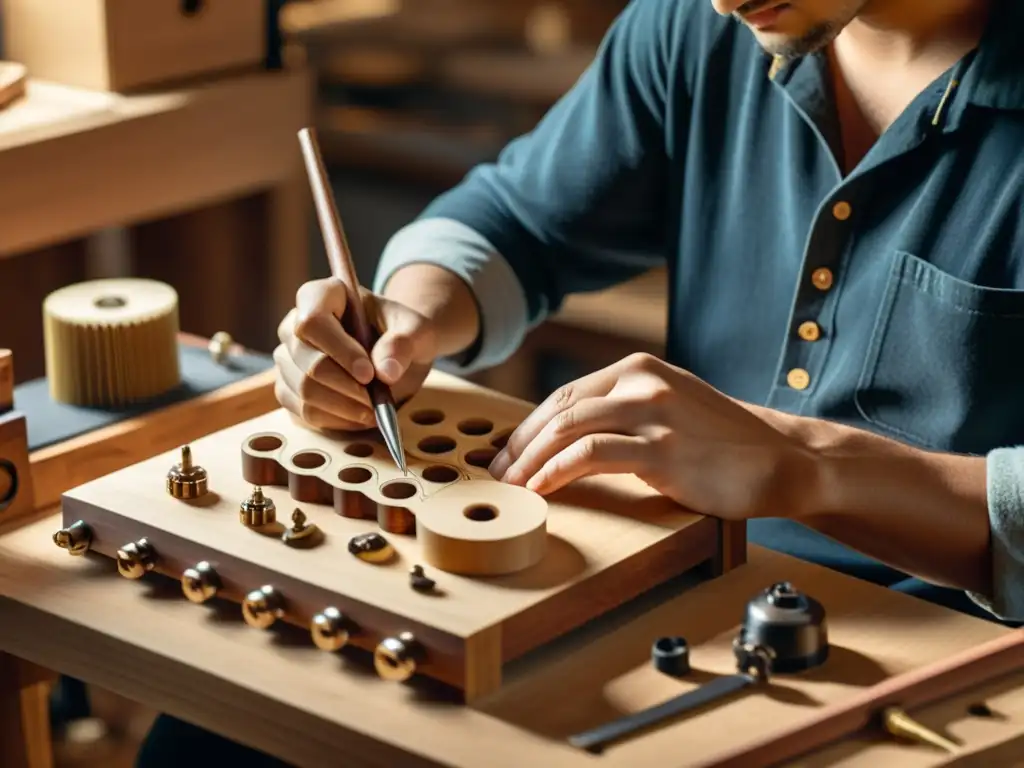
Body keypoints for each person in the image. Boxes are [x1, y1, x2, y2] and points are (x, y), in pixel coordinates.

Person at [137, 0, 1024, 764]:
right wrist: (407, 316)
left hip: (941, 661)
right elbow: (517, 219)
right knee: (216, 740)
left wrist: (807, 464)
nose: (721, 2)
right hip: (677, 583)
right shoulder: (698, 27)